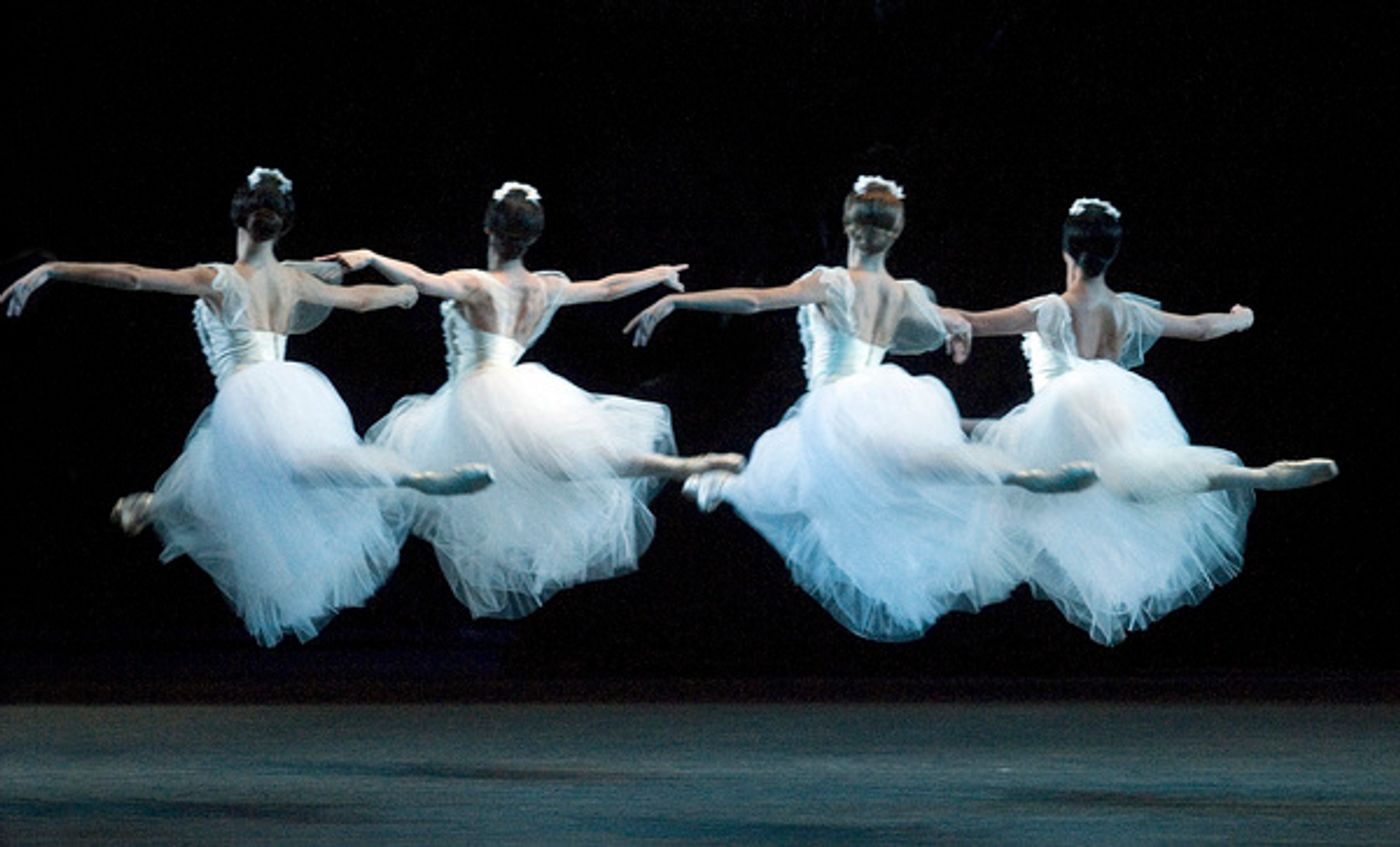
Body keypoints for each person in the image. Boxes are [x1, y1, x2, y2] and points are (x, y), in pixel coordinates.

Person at [1, 167, 492, 646]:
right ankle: (157, 504)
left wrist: (54, 269)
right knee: (241, 476)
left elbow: (133, 278)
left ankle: (413, 478)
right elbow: (359, 301)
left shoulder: (217, 278)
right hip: (292, 391)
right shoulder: (293, 282)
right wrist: (401, 294)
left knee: (276, 471)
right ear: (282, 224)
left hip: (246, 397)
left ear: (240, 218)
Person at [625, 176, 1095, 641]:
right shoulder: (905, 292)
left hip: (832, 405)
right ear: (894, 234)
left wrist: (678, 301)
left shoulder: (830, 283)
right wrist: (956, 330)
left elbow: (754, 301)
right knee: (921, 463)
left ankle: (724, 484)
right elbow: (942, 325)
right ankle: (1017, 474)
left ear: (849, 228)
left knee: (796, 488)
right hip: (882, 397)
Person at [319, 181, 743, 619]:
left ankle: (328, 532)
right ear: (533, 237)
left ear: (488, 228)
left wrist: (371, 257)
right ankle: (683, 466)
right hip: (521, 389)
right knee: (571, 461)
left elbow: (423, 281)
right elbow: (605, 289)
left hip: (476, 396)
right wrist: (655, 274)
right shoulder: (545, 288)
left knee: (410, 473)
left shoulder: (476, 284)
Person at [955, 197, 1338, 644]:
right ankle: (1253, 475)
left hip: (1058, 419)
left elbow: (973, 323)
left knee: (977, 445)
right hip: (1117, 417)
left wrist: (929, 316)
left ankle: (1038, 473)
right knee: (1137, 482)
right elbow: (1199, 327)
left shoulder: (1046, 310)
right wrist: (1242, 320)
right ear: (1110, 255)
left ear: (1066, 252)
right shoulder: (1127, 311)